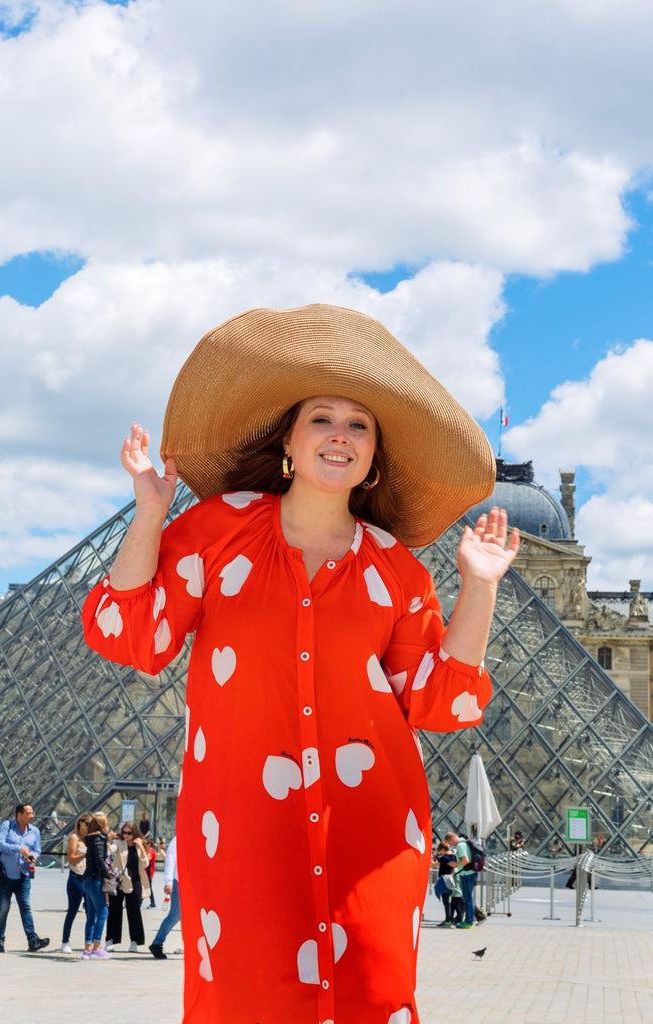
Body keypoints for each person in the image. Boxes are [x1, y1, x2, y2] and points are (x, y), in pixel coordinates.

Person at [82, 304, 518, 1023]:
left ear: (374, 456)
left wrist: (479, 585)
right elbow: (131, 634)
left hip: (373, 834)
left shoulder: (398, 571)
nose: (340, 434)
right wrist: (150, 512)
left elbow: (442, 702)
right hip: (242, 831)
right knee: (244, 999)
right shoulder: (215, 530)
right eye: (322, 418)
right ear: (287, 439)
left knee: (370, 996)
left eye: (359, 425)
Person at [0, 803, 49, 953]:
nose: (32, 816)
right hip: (5, 876)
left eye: (32, 813)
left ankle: (32, 940)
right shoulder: (7, 826)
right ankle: (0, 941)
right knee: (3, 909)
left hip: (23, 875)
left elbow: (37, 849)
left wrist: (32, 856)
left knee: (26, 908)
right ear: (19, 814)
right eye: (29, 813)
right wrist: (18, 849)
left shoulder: (34, 831)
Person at [105, 820, 150, 952]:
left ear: (134, 833)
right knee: (114, 910)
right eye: (124, 832)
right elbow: (111, 850)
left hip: (135, 881)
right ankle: (110, 939)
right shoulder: (119, 842)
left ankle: (134, 941)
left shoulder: (139, 845)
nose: (125, 835)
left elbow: (145, 864)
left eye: (129, 833)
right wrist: (107, 840)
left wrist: (141, 846)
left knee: (134, 911)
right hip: (119, 880)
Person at [82, 812, 113, 958]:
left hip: (87, 880)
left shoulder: (91, 839)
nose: (108, 826)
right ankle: (96, 947)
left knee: (91, 915)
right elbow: (100, 860)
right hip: (95, 879)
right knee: (103, 912)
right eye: (106, 823)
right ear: (102, 825)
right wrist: (108, 876)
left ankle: (87, 949)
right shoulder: (99, 840)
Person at [60, 812, 92, 953]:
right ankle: (65, 941)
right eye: (87, 824)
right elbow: (71, 858)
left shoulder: (90, 838)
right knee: (72, 910)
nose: (89, 826)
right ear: (80, 823)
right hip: (76, 878)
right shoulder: (74, 837)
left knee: (90, 912)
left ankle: (89, 942)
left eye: (91, 824)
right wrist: (86, 854)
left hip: (88, 878)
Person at [149, 835, 181, 959]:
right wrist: (168, 882)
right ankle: (157, 944)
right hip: (179, 882)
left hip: (193, 884)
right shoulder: (177, 840)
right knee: (175, 915)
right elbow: (170, 861)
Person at [446, 830, 478, 929]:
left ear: (452, 839)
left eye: (449, 843)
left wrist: (455, 864)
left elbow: (465, 860)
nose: (450, 845)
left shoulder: (460, 845)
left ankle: (469, 922)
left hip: (466, 874)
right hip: (469, 873)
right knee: (468, 898)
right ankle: (469, 920)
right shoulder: (464, 842)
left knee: (467, 899)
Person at [432, 840, 462, 927]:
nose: (440, 852)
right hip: (450, 879)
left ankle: (448, 920)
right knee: (449, 900)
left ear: (442, 849)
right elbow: (453, 869)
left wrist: (432, 857)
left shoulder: (443, 858)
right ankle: (451, 920)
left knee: (445, 901)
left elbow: (433, 865)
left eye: (440, 850)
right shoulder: (453, 857)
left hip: (444, 879)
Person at [143, 836, 157, 907]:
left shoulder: (151, 851)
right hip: (145, 872)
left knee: (148, 888)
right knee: (144, 887)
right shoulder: (148, 851)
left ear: (149, 844)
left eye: (146, 844)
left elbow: (148, 858)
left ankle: (153, 903)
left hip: (149, 872)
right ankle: (140, 901)